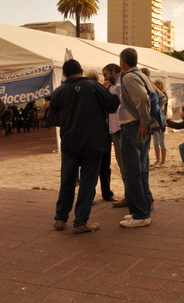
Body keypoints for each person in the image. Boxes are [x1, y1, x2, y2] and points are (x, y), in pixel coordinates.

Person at [47, 59, 119, 234]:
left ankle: (60, 218)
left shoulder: (59, 91)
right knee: (88, 182)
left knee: (67, 181)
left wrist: (68, 122)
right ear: (81, 71)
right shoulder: (94, 86)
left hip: (70, 142)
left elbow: (52, 118)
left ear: (65, 74)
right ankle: (80, 221)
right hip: (93, 142)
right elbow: (112, 105)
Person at [118, 48, 159, 228]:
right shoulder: (143, 76)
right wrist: (149, 121)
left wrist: (144, 121)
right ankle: (143, 208)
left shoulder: (129, 77)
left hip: (133, 128)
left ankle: (140, 215)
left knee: (132, 173)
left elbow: (142, 98)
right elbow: (160, 96)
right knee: (141, 171)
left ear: (123, 62)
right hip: (141, 128)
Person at [85, 68, 116, 202]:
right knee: (104, 166)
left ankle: (91, 196)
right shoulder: (101, 90)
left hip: (91, 134)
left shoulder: (86, 92)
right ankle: (106, 193)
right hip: (103, 132)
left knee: (91, 167)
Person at [103, 63, 128, 208]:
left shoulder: (121, 81)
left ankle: (130, 196)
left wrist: (107, 87)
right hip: (115, 128)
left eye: (106, 74)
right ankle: (128, 195)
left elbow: (117, 94)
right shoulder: (117, 82)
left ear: (113, 71)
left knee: (125, 164)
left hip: (120, 128)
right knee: (122, 164)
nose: (105, 78)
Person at [152, 79, 168, 167]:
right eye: (156, 84)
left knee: (161, 140)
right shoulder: (153, 94)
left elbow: (163, 108)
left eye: (159, 84)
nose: (157, 85)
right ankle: (157, 159)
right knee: (155, 141)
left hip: (161, 118)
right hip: (154, 119)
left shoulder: (164, 95)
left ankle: (163, 160)